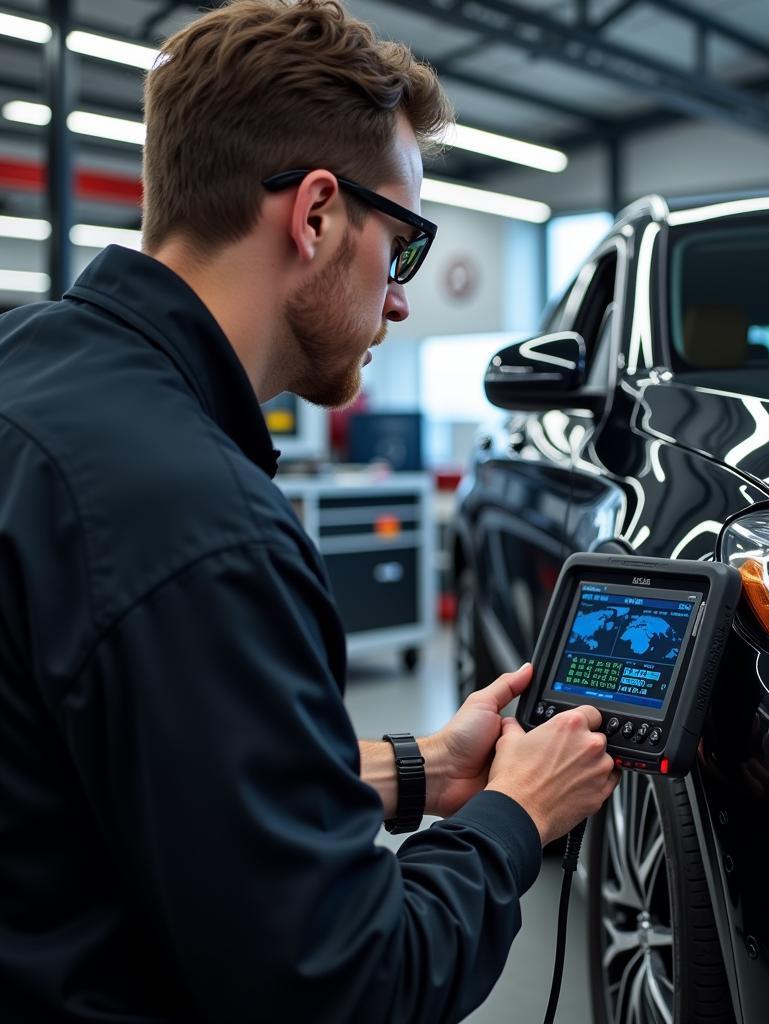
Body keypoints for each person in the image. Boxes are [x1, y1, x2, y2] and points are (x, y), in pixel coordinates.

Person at [0, 2, 619, 1021]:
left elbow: (141, 780)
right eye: (405, 246)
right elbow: (349, 984)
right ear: (318, 215)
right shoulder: (200, 526)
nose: (403, 298)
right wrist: (517, 815)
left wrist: (417, 769)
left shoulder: (35, 372)